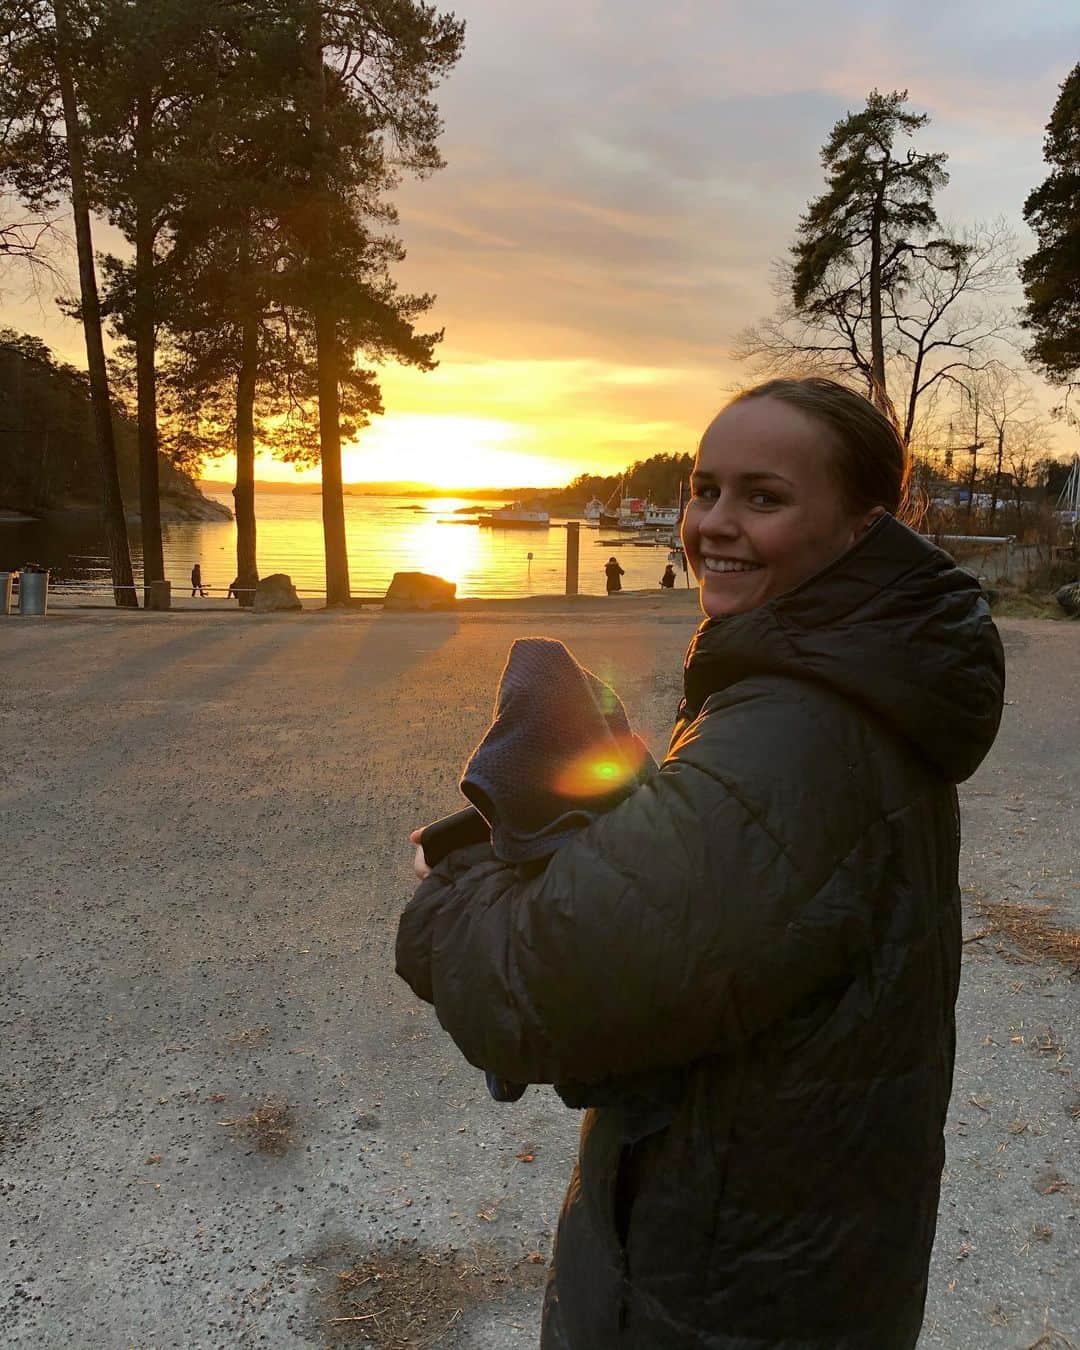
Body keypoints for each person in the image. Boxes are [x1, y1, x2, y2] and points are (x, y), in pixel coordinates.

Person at [396, 377, 1004, 1349]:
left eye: (763, 497)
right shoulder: (849, 680)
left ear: (860, 526)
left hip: (724, 1283)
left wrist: (449, 889)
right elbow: (738, 914)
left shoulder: (799, 732)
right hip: (803, 1243)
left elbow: (549, 987)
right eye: (703, 488)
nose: (714, 524)